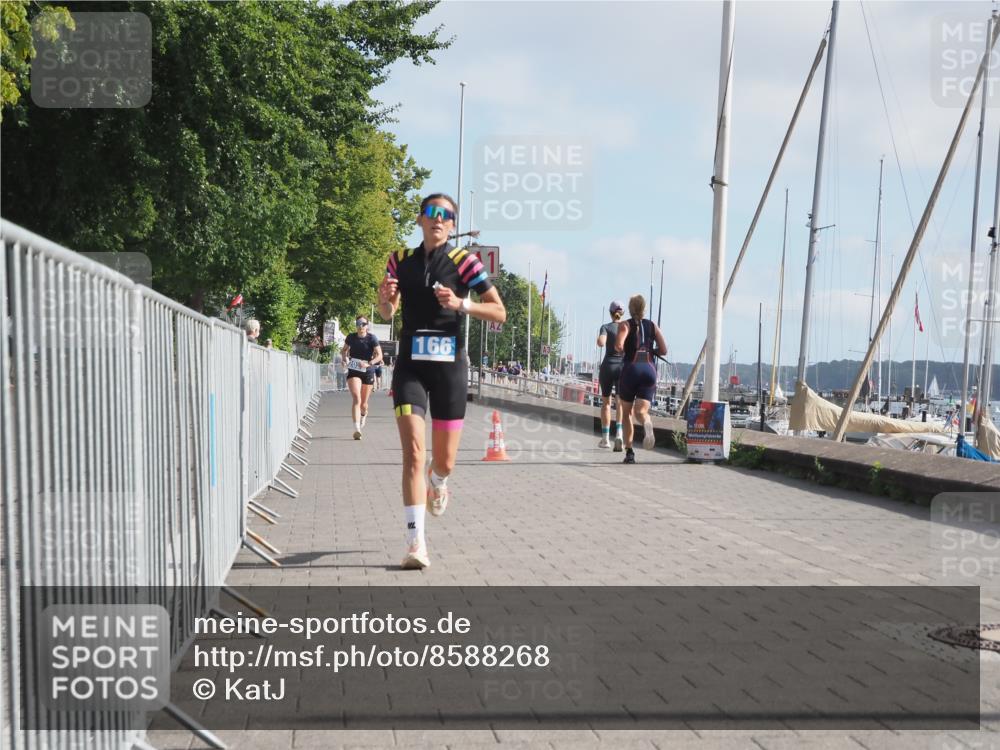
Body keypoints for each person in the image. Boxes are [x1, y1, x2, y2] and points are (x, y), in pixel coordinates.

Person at [378, 193, 506, 570]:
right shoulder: (399, 260)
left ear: (452, 225)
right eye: (432, 213)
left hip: (450, 368)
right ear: (420, 219)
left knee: (444, 459)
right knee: (414, 453)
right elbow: (389, 309)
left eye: (447, 216)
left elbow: (499, 310)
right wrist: (384, 300)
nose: (438, 219)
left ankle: (439, 479)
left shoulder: (464, 262)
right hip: (410, 368)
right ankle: (415, 541)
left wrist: (461, 304)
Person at [615, 294, 667, 464]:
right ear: (644, 308)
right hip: (649, 370)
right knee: (641, 412)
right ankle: (647, 423)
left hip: (631, 369)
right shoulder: (652, 325)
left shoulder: (625, 325)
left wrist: (623, 350)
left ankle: (630, 453)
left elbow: (619, 345)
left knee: (627, 413)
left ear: (630, 309)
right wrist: (651, 351)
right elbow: (664, 350)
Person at [341, 316, 382, 440]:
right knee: (356, 398)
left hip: (367, 370)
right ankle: (357, 429)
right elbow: (344, 351)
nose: (360, 326)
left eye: (363, 324)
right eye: (358, 323)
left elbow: (379, 355)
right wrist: (344, 359)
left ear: (367, 326)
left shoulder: (372, 338)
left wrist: (369, 363)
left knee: (363, 404)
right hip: (354, 370)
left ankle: (363, 414)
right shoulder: (351, 337)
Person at [596, 300, 626, 450]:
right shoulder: (627, 328)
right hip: (622, 367)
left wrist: (602, 338)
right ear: (623, 314)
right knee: (620, 402)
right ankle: (619, 434)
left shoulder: (605, 327)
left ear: (610, 313)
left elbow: (601, 343)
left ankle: (605, 439)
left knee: (606, 403)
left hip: (607, 366)